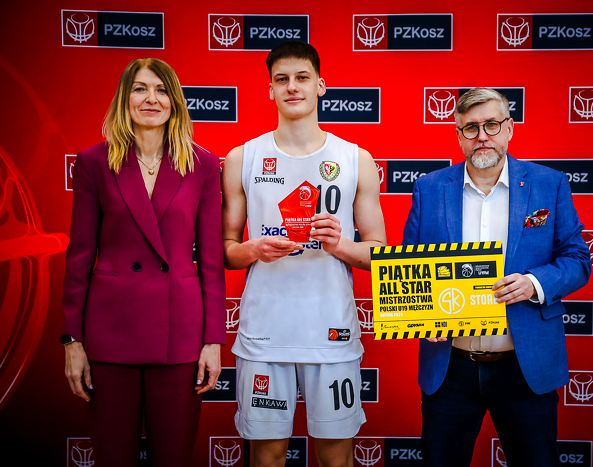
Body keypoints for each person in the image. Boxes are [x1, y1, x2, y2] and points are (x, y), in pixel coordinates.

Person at [402, 87, 592, 467]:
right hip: (450, 367)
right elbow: (410, 268)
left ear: (509, 128)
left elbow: (578, 260)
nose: (482, 136)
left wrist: (534, 283)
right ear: (458, 136)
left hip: (525, 364)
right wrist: (420, 315)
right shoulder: (429, 188)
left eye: (491, 124)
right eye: (471, 128)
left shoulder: (549, 184)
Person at [221, 41, 386, 467]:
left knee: (336, 458)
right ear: (270, 90)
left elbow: (378, 252)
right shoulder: (243, 158)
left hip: (332, 335)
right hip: (264, 335)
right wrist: (254, 248)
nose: (291, 87)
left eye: (301, 78)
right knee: (267, 456)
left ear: (320, 86)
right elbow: (227, 250)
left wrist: (339, 244)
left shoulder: (355, 159)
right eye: (281, 80)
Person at [61, 58, 226, 467]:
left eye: (161, 89)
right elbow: (79, 257)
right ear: (125, 98)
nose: (151, 98)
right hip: (109, 334)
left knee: (173, 457)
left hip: (180, 335)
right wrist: (72, 340)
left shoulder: (203, 165)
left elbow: (210, 261)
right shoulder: (94, 162)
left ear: (175, 101)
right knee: (113, 457)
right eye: (140, 88)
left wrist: (212, 341)